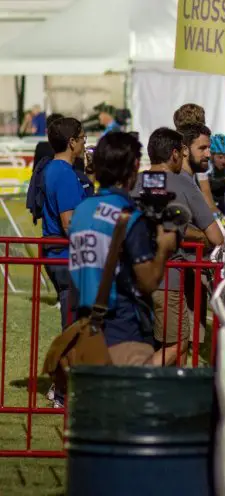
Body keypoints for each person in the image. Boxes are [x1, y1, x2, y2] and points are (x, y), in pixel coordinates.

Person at [67, 132, 178, 371]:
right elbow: (148, 282)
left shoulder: (81, 211)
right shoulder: (127, 215)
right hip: (124, 329)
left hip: (84, 328)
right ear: (135, 166)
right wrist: (164, 248)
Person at [133, 127, 223, 365]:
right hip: (167, 278)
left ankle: (170, 396)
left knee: (151, 343)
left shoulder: (135, 182)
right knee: (177, 344)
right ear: (175, 154)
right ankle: (130, 386)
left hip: (132, 276)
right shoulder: (181, 183)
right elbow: (215, 236)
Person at [39, 117, 94, 328]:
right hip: (66, 257)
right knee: (74, 327)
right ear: (72, 142)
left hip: (57, 254)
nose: (84, 143)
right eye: (82, 138)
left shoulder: (52, 169)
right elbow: (69, 223)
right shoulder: (64, 174)